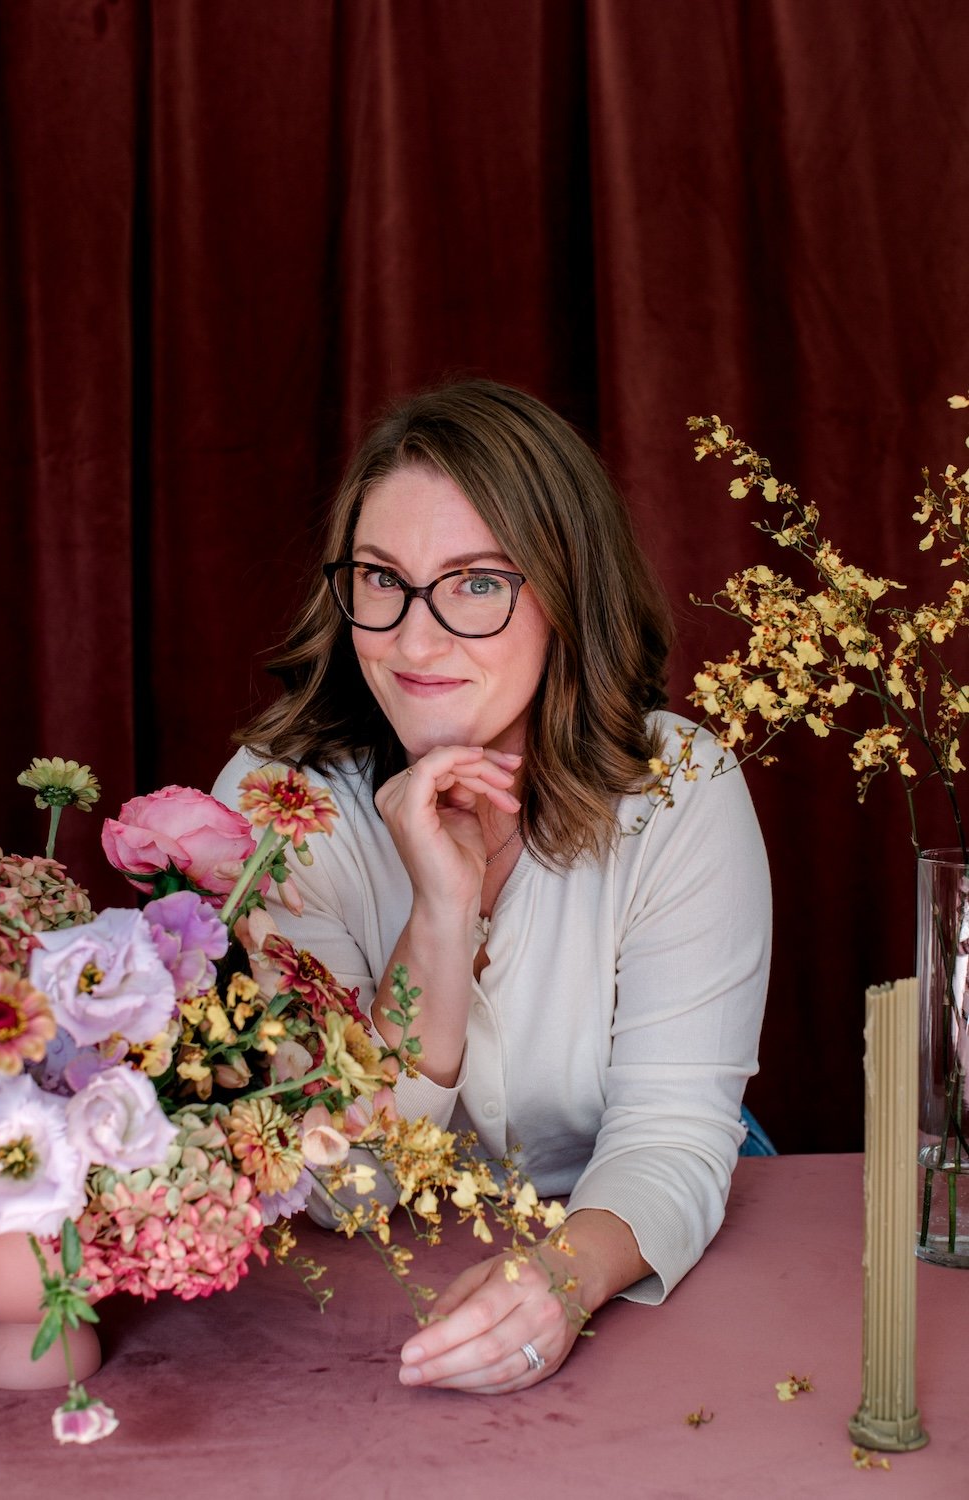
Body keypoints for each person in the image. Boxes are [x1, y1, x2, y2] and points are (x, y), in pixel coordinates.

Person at [212, 378, 771, 1394]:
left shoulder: (680, 791)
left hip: (622, 1238)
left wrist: (561, 1280)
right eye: (380, 578)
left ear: (565, 591)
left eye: (475, 583)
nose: (413, 642)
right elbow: (340, 1183)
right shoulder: (273, 810)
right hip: (349, 1281)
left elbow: (674, 1133)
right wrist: (439, 914)